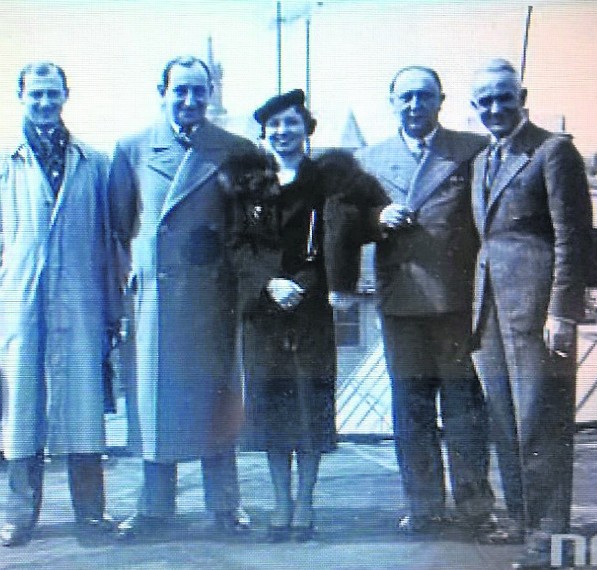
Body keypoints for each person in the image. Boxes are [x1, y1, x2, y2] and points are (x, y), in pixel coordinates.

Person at [222, 89, 381, 542]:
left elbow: (346, 237)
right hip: (264, 309)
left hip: (312, 308)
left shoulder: (329, 183)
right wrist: (269, 282)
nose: (283, 132)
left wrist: (308, 285)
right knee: (272, 408)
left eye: (291, 123)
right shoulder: (248, 184)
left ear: (307, 128)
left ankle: (307, 502)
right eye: (274, 125)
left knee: (310, 407)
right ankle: (280, 503)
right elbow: (237, 246)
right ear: (264, 133)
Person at [108, 55, 253, 539]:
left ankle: (225, 507)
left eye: (199, 90)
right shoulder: (131, 148)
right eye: (181, 91)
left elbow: (247, 232)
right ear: (162, 92)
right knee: (154, 403)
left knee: (217, 400)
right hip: (155, 302)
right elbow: (118, 227)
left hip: (212, 299)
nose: (190, 100)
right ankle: (154, 510)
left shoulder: (235, 150)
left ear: (211, 93)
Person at [354, 66, 499, 537]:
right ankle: (424, 506)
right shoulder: (369, 159)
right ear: (391, 101)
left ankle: (475, 507)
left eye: (424, 96)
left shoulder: (470, 149)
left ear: (441, 101)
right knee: (411, 410)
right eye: (406, 97)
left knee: (464, 409)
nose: (415, 105)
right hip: (401, 304)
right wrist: (377, 218)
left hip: (458, 303)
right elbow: (346, 227)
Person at [469, 58, 592, 569]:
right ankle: (519, 517)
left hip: (538, 312)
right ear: (475, 109)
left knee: (542, 422)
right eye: (485, 102)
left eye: (504, 97)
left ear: (523, 98)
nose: (495, 108)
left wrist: (562, 312)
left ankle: (548, 534)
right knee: (503, 420)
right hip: (489, 311)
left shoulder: (553, 151)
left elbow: (572, 237)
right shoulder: (482, 161)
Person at [0, 62, 119, 546]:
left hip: (80, 303)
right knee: (20, 412)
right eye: (36, 96)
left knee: (83, 411)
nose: (46, 104)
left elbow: (110, 243)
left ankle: (90, 515)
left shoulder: (93, 163)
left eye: (53, 95)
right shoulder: (6, 162)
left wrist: (112, 311)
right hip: (19, 304)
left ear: (66, 95)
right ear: (21, 97)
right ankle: (18, 516)